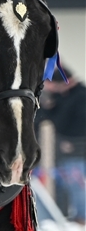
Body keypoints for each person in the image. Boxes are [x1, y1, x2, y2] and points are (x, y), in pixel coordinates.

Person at [37, 70, 86, 222]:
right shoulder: (66, 96)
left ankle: (81, 217)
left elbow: (58, 120)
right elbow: (45, 116)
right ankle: (68, 214)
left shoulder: (79, 96)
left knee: (76, 184)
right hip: (67, 149)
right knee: (66, 183)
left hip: (76, 148)